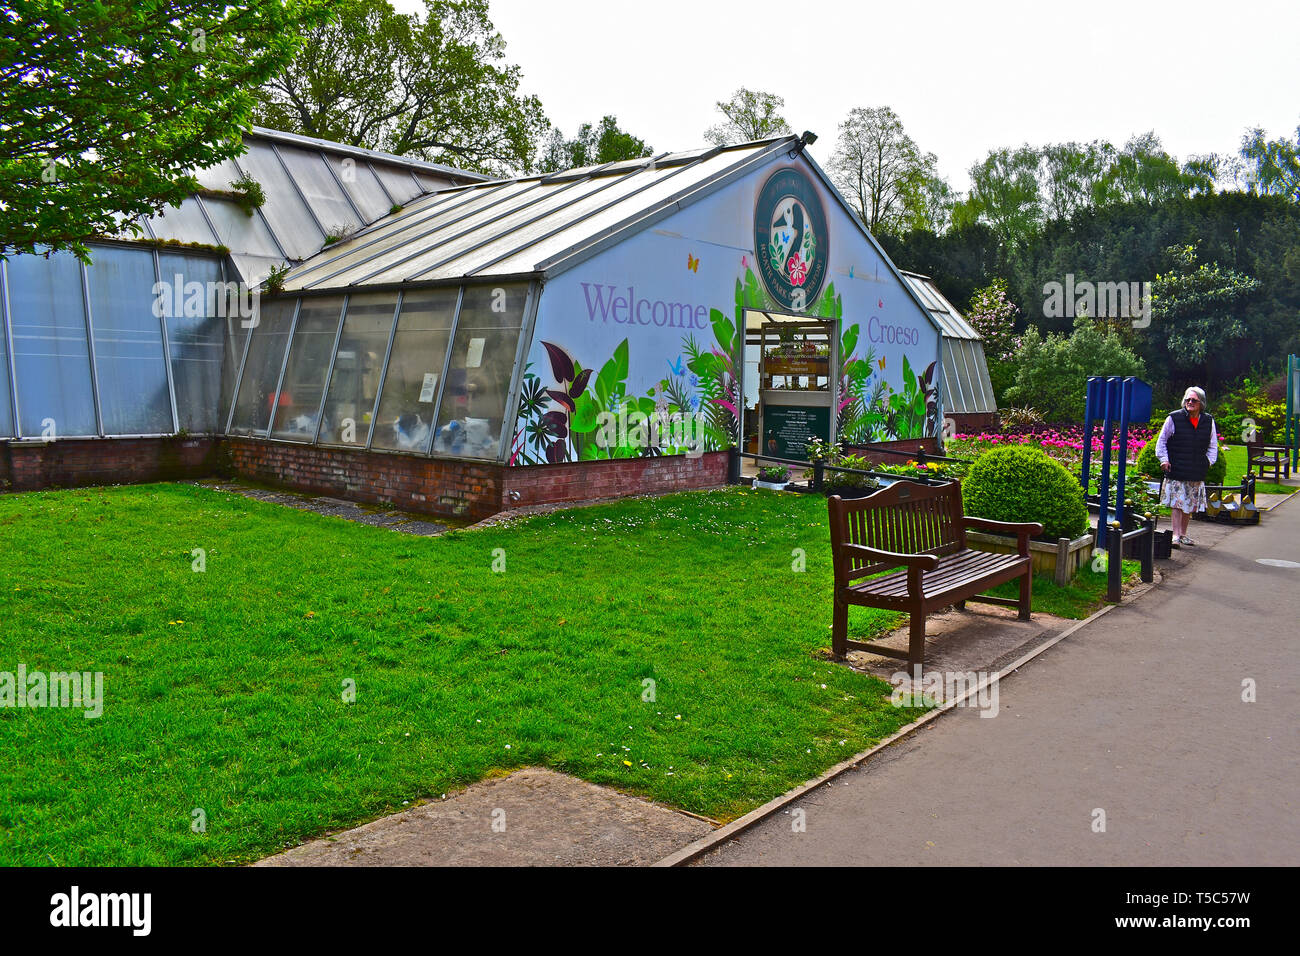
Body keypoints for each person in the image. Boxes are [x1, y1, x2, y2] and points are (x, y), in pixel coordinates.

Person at [1155, 386, 1218, 548]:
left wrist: (1208, 462)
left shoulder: (1208, 421)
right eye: (1188, 400)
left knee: (1189, 503)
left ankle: (1183, 534)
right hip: (1176, 467)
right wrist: (1164, 459)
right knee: (1177, 503)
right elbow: (1161, 441)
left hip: (1196, 469)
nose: (1190, 402)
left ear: (1201, 403)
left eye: (1194, 400)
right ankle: (1175, 535)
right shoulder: (1173, 418)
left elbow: (1213, 446)